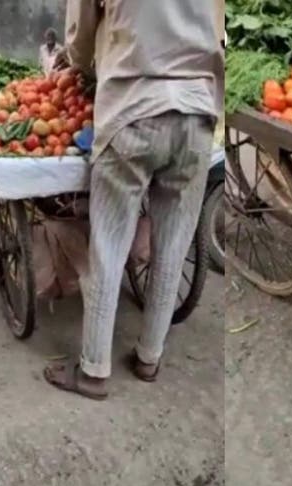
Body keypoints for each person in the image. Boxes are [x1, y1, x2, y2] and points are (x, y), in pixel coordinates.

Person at [43, 0, 223, 399]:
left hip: (133, 109)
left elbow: (79, 40)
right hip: (197, 114)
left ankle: (93, 372)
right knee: (174, 245)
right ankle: (149, 357)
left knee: (109, 244)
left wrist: (88, 65)